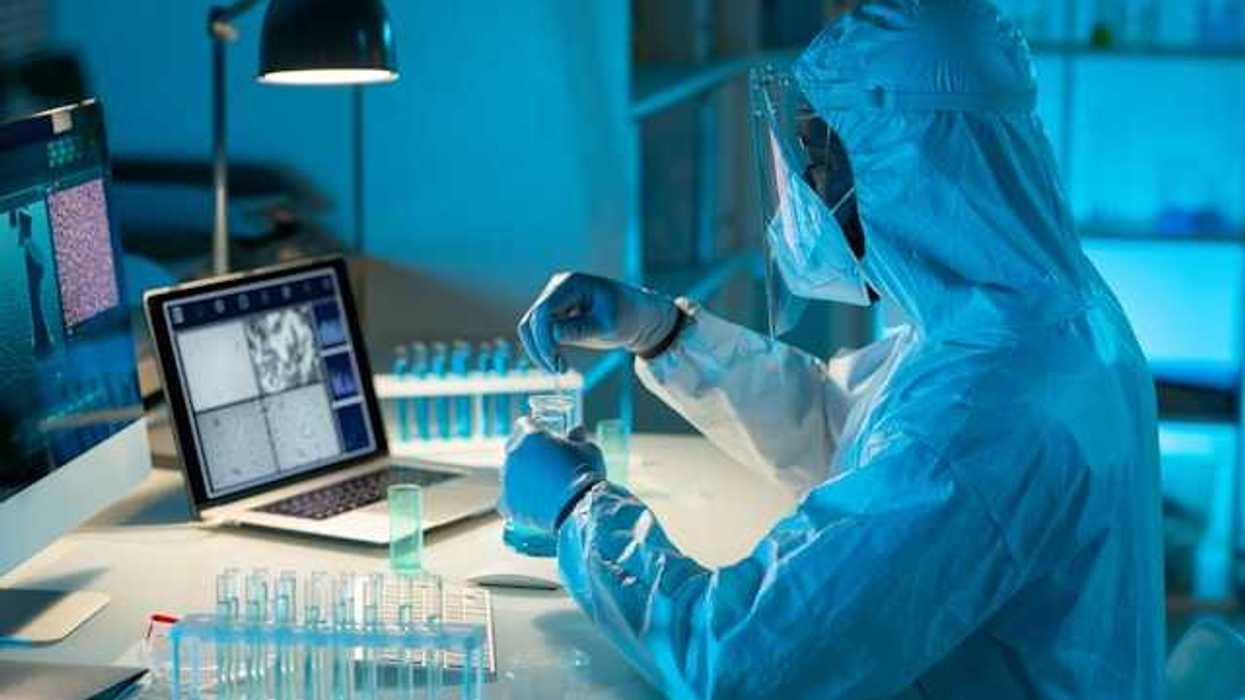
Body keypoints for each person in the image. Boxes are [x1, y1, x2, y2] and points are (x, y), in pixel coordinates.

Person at [500, 0, 1164, 697]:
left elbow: (743, 660)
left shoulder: (985, 406)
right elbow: (848, 425)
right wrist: (663, 332)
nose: (811, 199)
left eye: (823, 161)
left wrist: (581, 511)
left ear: (903, 171)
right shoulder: (1040, 320)